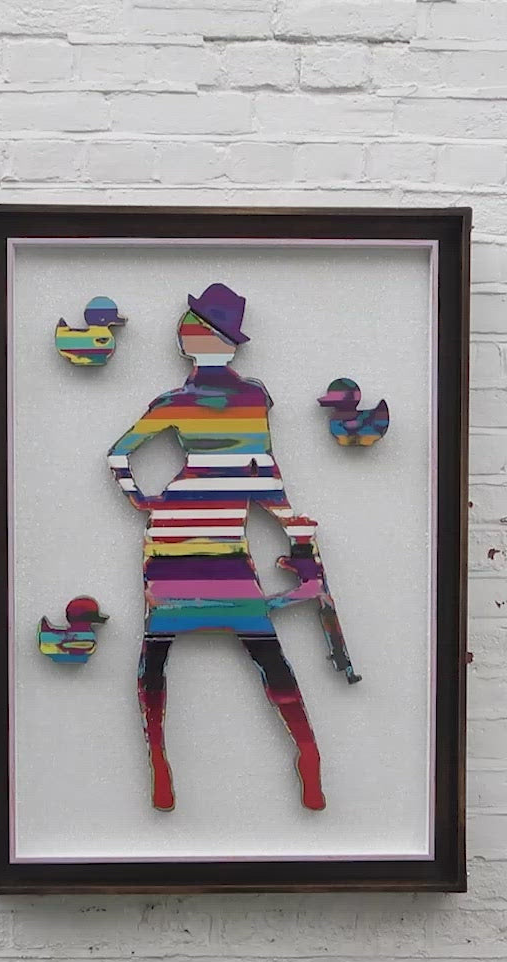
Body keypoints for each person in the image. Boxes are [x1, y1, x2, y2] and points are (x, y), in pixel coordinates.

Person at [107, 284, 326, 811]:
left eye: (201, 324)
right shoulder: (219, 400)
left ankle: (304, 760)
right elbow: (262, 472)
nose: (188, 329)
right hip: (195, 536)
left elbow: (120, 457)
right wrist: (289, 523)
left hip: (191, 535)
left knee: (196, 647)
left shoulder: (201, 400)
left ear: (224, 341)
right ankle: (166, 765)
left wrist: (144, 499)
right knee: (220, 648)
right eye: (191, 321)